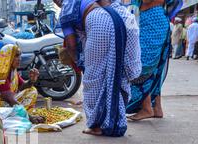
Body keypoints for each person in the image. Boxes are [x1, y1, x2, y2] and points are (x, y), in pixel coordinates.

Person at [55, 0, 141, 136]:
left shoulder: (66, 8)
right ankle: (116, 120)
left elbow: (71, 45)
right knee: (117, 71)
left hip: (99, 22)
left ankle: (96, 125)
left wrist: (79, 62)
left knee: (93, 79)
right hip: (120, 18)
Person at [125, 0, 182, 121]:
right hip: (153, 19)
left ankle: (146, 108)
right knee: (155, 68)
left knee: (141, 67)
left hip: (151, 20)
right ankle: (157, 108)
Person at [0, 44, 44, 123]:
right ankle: (23, 115)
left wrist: (32, 80)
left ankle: (21, 114)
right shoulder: (0, 74)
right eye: (16, 56)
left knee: (32, 90)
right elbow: (11, 100)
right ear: (7, 57)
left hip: (6, 102)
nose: (19, 59)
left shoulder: (12, 71)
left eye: (19, 56)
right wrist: (30, 117)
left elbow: (22, 86)